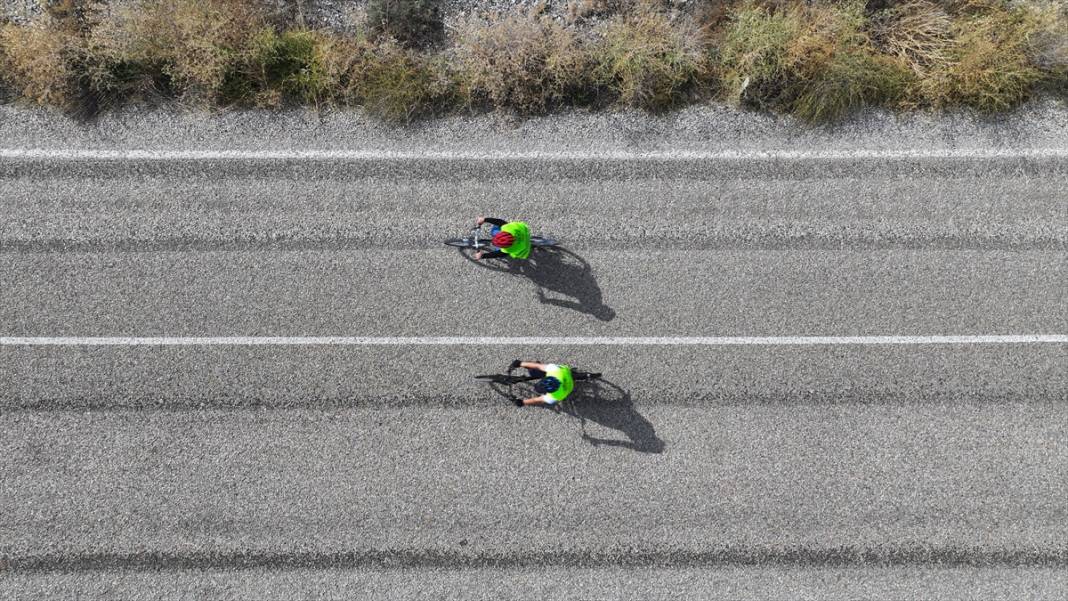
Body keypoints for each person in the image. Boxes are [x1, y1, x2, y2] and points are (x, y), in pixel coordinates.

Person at [507, 359, 595, 407]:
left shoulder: (553, 372)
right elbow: (536, 400)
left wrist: (520, 363)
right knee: (537, 369)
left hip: (564, 374)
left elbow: (537, 366)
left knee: (533, 371)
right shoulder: (554, 395)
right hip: (566, 378)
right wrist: (522, 402)